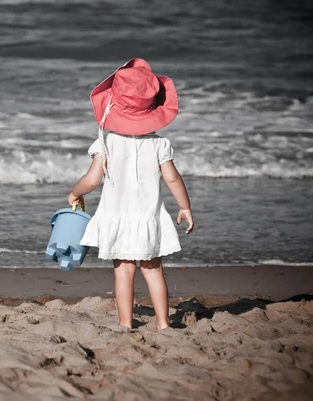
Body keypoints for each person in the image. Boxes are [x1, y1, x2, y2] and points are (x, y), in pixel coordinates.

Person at [67, 59, 194, 330]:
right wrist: (185, 207)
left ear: (113, 103)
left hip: (118, 217)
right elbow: (172, 178)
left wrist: (73, 193)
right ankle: (163, 323)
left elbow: (91, 180)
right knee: (153, 269)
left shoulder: (106, 142)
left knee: (124, 270)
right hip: (149, 216)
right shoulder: (160, 144)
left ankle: (125, 323)